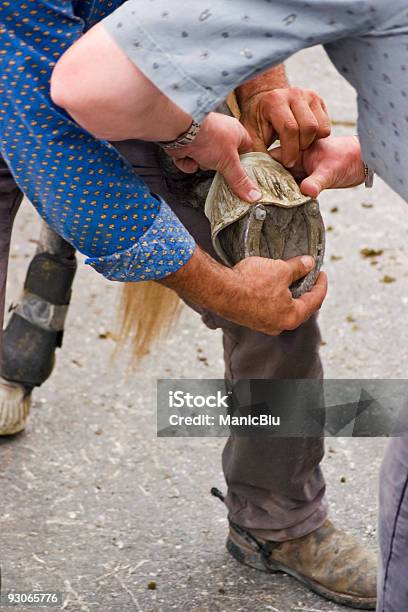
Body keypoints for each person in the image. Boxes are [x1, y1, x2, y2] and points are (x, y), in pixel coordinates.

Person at [0, 0, 380, 609]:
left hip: (127, 63)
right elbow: (69, 168)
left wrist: (263, 82)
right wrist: (219, 284)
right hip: (22, 60)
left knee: (278, 286)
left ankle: (278, 522)